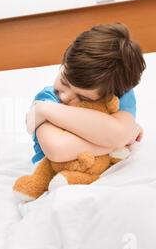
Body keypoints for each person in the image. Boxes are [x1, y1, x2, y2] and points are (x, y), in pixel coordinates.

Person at [26, 22, 145, 165]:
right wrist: (118, 140)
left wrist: (46, 110)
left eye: (82, 98)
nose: (65, 96)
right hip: (54, 175)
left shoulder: (119, 92)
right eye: (64, 81)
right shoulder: (47, 98)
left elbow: (119, 134)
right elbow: (58, 149)